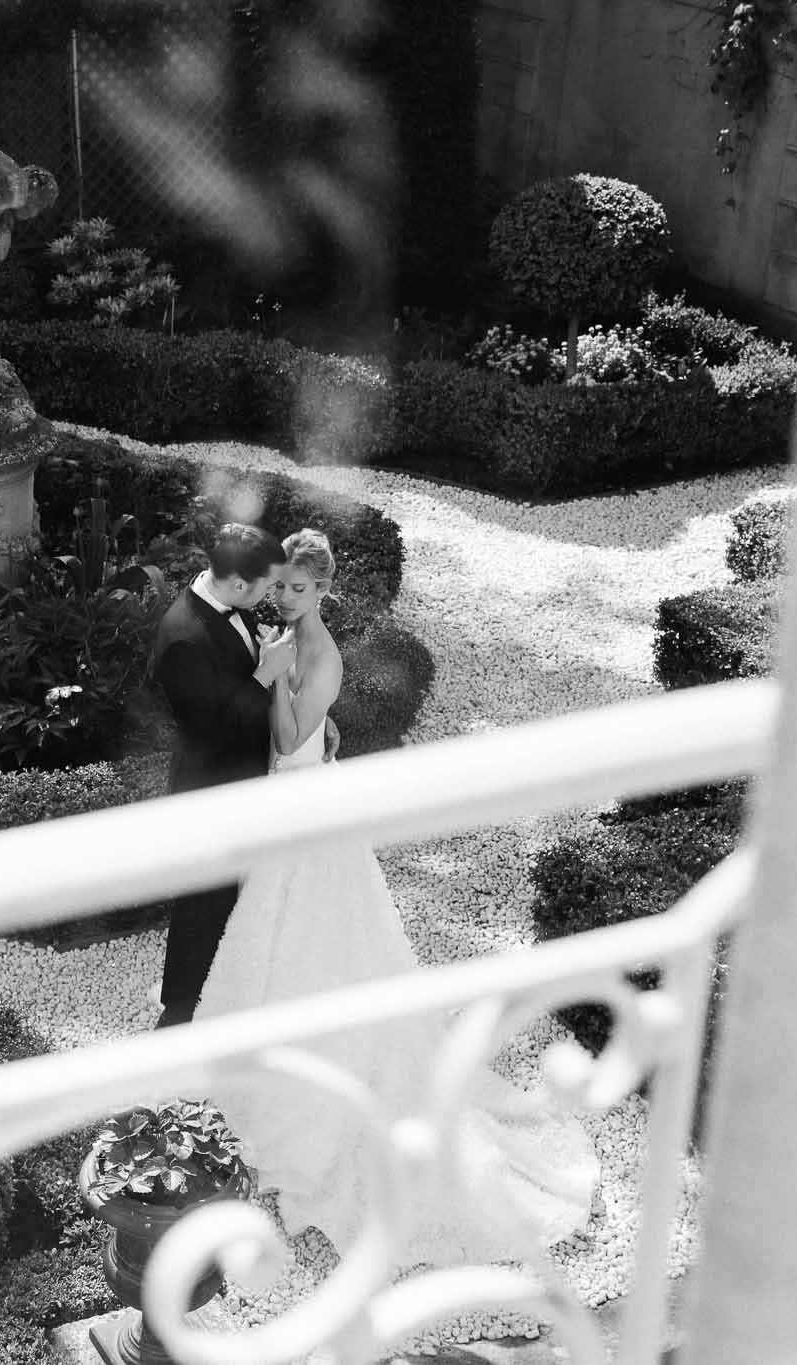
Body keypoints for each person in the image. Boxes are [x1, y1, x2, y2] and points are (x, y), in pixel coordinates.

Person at [191, 529, 599, 1265]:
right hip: (294, 802)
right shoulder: (293, 639)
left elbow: (287, 734)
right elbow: (312, 736)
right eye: (280, 584)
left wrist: (275, 676)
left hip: (304, 814)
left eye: (299, 589)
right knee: (274, 933)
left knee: (311, 935)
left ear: (323, 594)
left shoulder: (316, 654)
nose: (284, 596)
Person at [149, 523, 297, 1029]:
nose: (272, 594)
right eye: (267, 586)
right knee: (203, 903)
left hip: (239, 776)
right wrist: (265, 673)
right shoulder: (183, 639)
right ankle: (180, 1015)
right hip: (208, 786)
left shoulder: (226, 599)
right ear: (238, 585)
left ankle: (227, 994)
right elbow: (213, 724)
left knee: (232, 897)